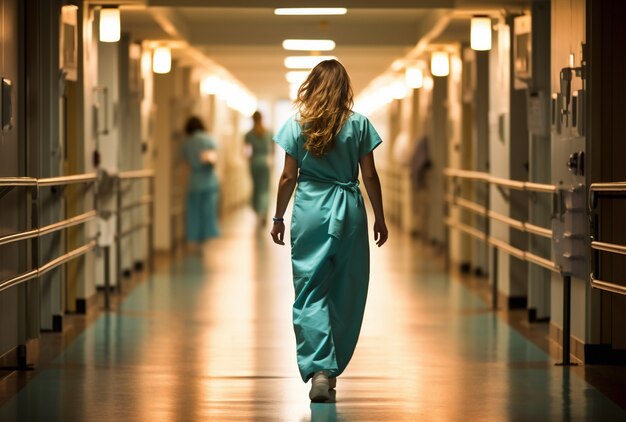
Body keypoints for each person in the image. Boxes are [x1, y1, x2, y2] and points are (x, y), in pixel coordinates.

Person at [270, 59, 388, 402]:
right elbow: (370, 176)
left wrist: (278, 217)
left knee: (309, 290)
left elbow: (289, 177)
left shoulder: (297, 124)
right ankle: (330, 367)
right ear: (344, 88)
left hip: (309, 212)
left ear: (312, 85)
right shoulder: (359, 124)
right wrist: (379, 216)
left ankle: (320, 368)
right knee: (347, 286)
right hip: (349, 209)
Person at [181, 116, 220, 246]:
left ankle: (193, 238)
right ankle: (205, 237)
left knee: (193, 212)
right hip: (209, 181)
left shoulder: (187, 143)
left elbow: (186, 164)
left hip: (194, 181)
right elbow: (214, 159)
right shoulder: (208, 139)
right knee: (208, 212)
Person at [244, 111, 273, 227]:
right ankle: (264, 212)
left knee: (256, 188)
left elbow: (247, 152)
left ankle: (257, 212)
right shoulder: (269, 132)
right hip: (265, 162)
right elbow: (273, 149)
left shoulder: (249, 134)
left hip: (255, 162)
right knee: (265, 189)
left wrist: (250, 160)